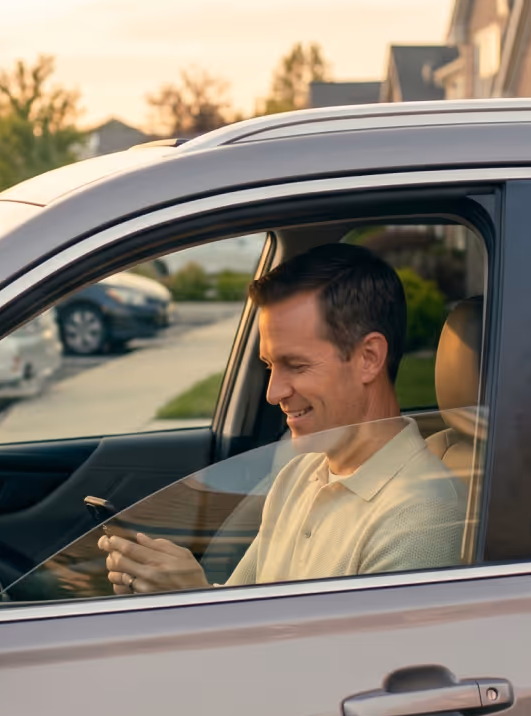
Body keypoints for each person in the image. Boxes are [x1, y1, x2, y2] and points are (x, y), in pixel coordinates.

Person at [99, 243, 466, 594]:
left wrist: (192, 595)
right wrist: (167, 590)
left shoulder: (420, 516)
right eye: (270, 365)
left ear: (368, 358)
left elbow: (356, 661)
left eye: (296, 365)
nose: (273, 393)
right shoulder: (299, 474)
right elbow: (242, 611)